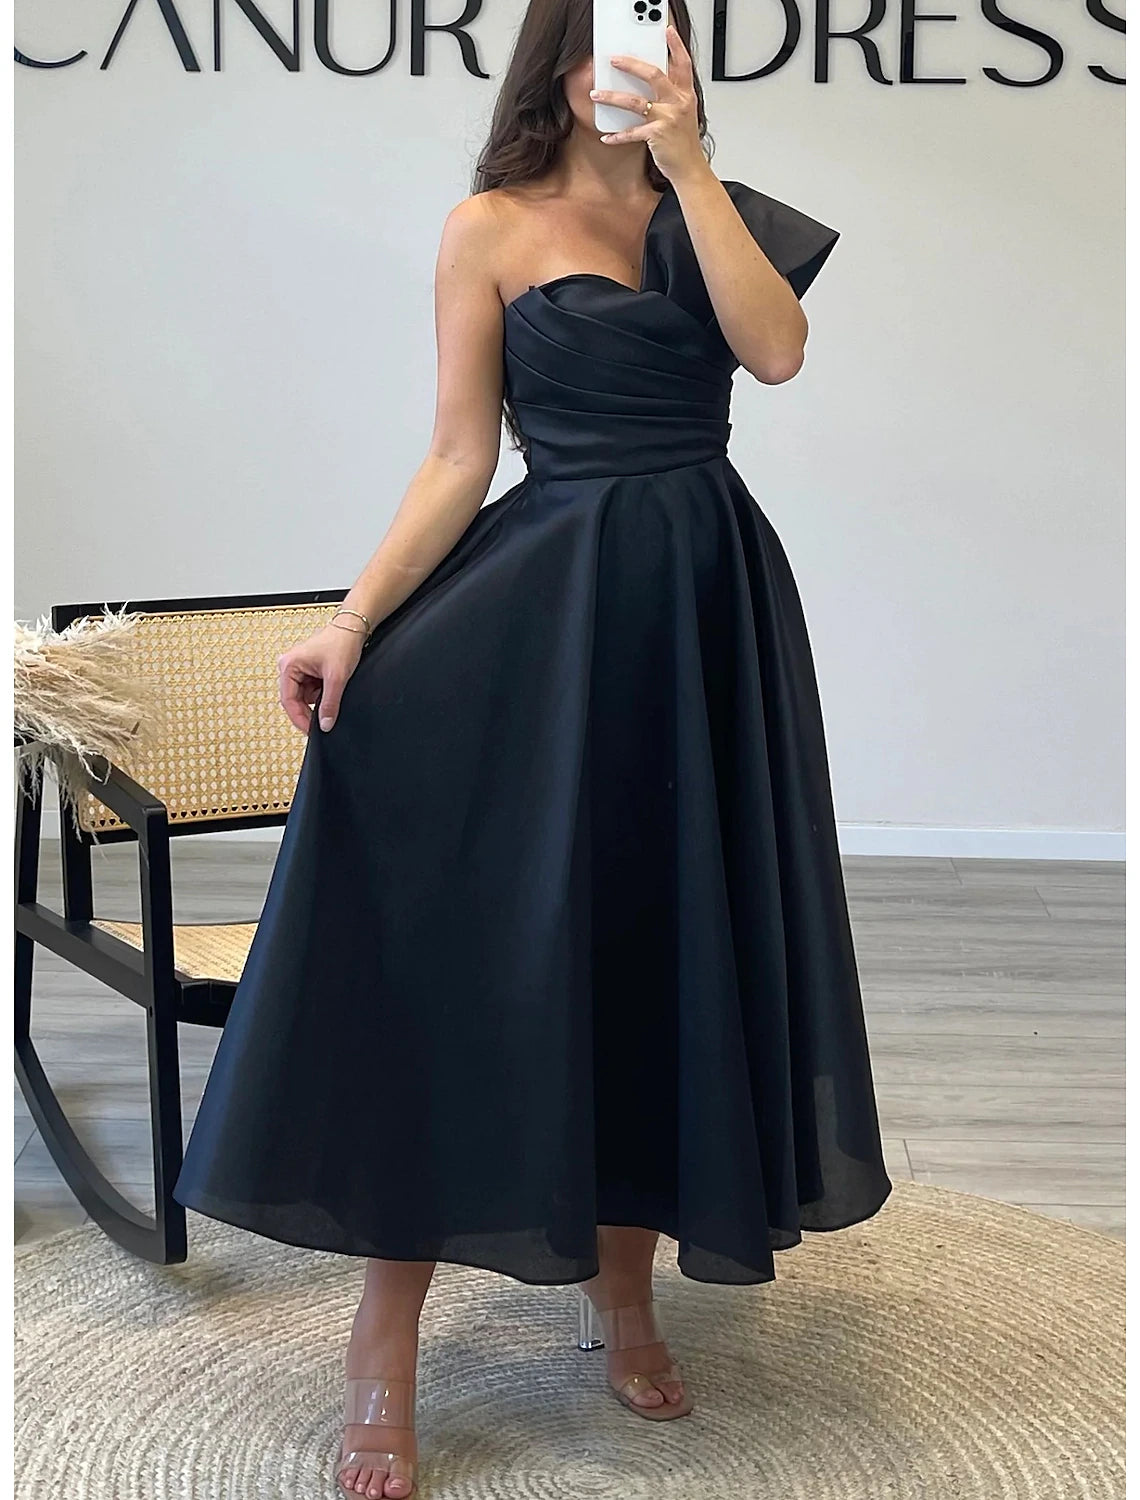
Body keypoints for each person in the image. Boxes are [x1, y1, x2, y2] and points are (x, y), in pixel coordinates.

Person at [173, 0, 893, 1494]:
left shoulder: (719, 212)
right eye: (606, 41)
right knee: (462, 955)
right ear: (554, 70)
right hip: (544, 608)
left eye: (660, 37)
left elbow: (777, 355)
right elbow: (459, 453)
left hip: (704, 609)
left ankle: (622, 1292)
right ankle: (382, 1342)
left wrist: (690, 172)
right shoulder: (488, 227)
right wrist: (354, 623)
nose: (634, 66)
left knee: (655, 941)